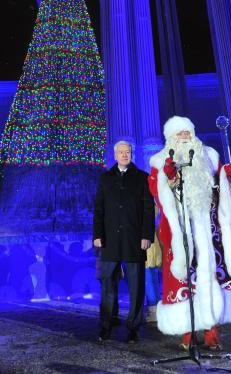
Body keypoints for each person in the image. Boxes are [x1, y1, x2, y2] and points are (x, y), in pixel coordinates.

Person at [148, 116, 231, 351]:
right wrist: (170, 178)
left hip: (210, 232)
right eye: (180, 133)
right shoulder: (160, 162)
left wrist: (229, 176)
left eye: (188, 132)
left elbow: (222, 184)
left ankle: (212, 334)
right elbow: (157, 191)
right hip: (182, 234)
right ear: (171, 138)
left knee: (212, 281)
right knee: (185, 282)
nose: (185, 136)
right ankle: (187, 334)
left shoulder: (210, 156)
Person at [93, 140, 155, 343]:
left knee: (136, 286)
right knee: (107, 284)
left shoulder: (142, 178)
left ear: (131, 154)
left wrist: (147, 235)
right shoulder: (105, 178)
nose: (124, 155)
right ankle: (106, 325)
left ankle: (133, 327)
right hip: (110, 240)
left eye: (127, 152)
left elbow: (148, 210)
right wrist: (97, 235)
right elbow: (99, 209)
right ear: (115, 154)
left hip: (134, 239)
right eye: (121, 152)